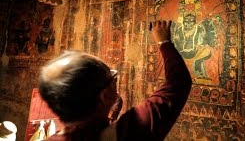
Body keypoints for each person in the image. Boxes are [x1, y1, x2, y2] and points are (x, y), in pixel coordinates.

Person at [38, 20, 192, 140]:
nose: (115, 79)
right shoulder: (129, 133)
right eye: (112, 77)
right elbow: (178, 83)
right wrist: (164, 42)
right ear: (104, 95)